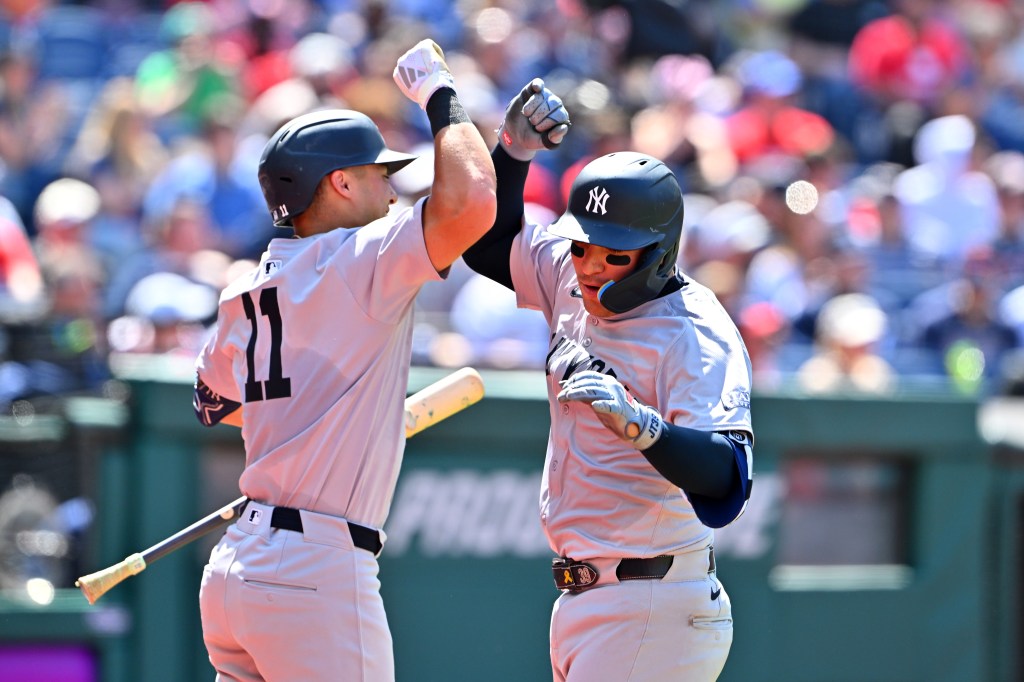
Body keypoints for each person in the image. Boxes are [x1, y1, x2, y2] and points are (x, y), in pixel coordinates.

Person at [190, 39, 496, 681]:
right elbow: (471, 203)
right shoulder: (360, 259)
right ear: (340, 182)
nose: (390, 192)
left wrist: (318, 431)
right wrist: (440, 92)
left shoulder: (243, 290)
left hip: (237, 570)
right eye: (380, 174)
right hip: (313, 573)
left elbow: (215, 407)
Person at [463, 79, 755, 681]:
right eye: (582, 246)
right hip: (587, 596)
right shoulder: (571, 277)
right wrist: (512, 155)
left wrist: (647, 430)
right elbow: (487, 244)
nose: (593, 265)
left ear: (659, 252)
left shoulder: (695, 333)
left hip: (653, 597)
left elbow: (728, 481)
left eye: (614, 253)